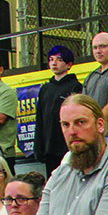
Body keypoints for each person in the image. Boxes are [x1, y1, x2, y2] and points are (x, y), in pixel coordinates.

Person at [34, 45, 82, 175]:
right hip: (49, 147)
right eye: (51, 59)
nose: (54, 63)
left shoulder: (75, 86)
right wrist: (39, 146)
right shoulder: (45, 88)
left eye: (59, 59)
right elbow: (40, 118)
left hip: (65, 145)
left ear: (69, 64)